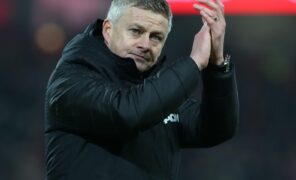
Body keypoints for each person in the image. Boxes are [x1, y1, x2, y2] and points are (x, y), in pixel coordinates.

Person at [44, 0, 239, 179]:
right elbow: (125, 113)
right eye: (136, 31)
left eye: (156, 37)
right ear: (108, 30)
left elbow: (217, 129)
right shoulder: (71, 78)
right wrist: (194, 62)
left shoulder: (158, 90)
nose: (145, 44)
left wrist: (218, 64)